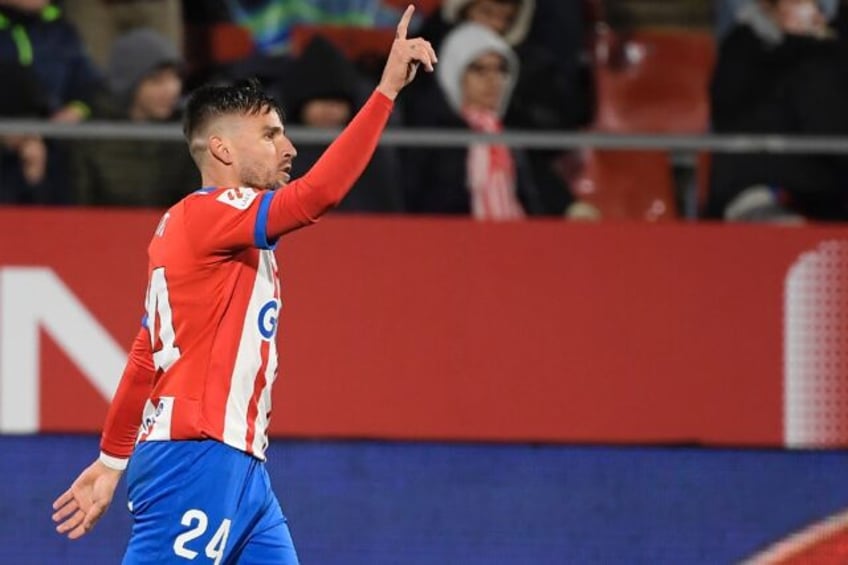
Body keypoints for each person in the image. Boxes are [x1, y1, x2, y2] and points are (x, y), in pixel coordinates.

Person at [51, 6, 436, 564]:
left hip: (242, 465)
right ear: (224, 150)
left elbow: (146, 356)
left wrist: (112, 461)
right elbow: (315, 197)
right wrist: (384, 93)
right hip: (199, 457)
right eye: (271, 134)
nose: (290, 148)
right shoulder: (216, 212)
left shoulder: (197, 228)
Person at [707, 0, 848, 221]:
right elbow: (825, 122)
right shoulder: (743, 50)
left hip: (820, 194)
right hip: (762, 195)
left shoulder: (826, 54)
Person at [404, 22, 543, 218]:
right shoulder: (434, 140)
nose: (493, 80)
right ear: (454, 73)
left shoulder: (509, 140)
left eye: (500, 70)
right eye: (479, 70)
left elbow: (532, 208)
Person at [71, 29, 199, 207]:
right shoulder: (93, 137)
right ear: (129, 85)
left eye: (175, 77)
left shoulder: (188, 134)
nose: (171, 89)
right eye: (157, 81)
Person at [283, 36, 405, 212]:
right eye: (320, 100)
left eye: (337, 102)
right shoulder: (281, 156)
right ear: (300, 104)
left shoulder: (369, 157)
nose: (330, 111)